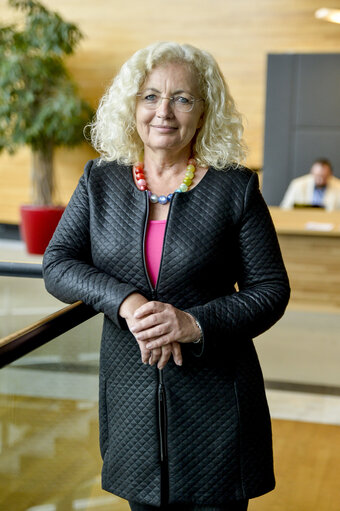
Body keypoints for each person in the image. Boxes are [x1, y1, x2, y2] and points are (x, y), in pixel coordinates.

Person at [43, 42, 290, 511]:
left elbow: (271, 289)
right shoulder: (100, 180)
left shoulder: (235, 187)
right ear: (132, 106)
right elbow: (58, 263)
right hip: (132, 397)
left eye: (183, 98)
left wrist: (193, 323)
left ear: (203, 112)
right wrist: (126, 301)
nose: (164, 112)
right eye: (150, 96)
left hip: (216, 402)